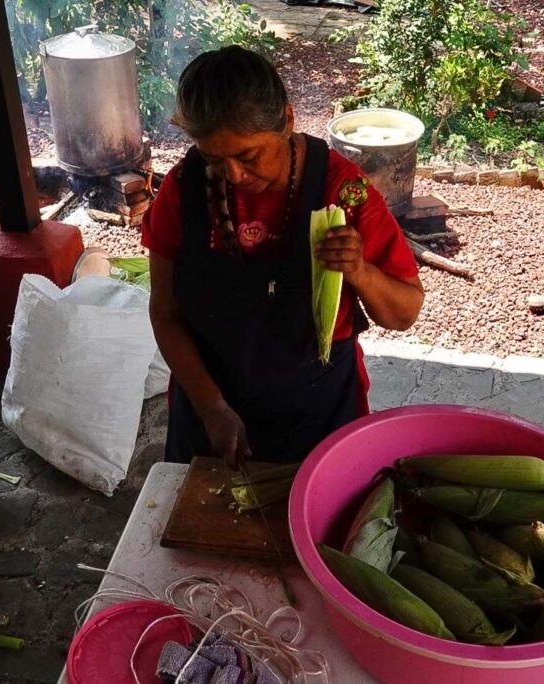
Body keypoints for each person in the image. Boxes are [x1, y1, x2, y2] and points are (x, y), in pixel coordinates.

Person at [143, 46, 423, 468]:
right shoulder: (182, 192)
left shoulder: (342, 191)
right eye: (214, 159)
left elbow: (403, 314)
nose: (234, 175)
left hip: (318, 409)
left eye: (248, 156)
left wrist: (360, 271)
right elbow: (165, 313)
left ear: (288, 121)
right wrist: (212, 407)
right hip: (209, 408)